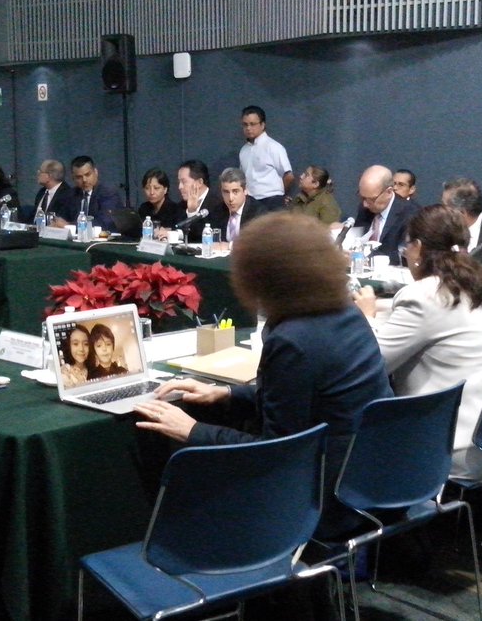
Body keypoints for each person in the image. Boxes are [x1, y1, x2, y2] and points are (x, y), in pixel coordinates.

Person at [136, 212, 392, 539]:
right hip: (370, 477)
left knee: (186, 469)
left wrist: (193, 430)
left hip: (324, 499)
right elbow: (309, 398)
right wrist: (227, 393)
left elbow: (276, 451)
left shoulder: (292, 339)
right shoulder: (347, 312)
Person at [353, 205, 482, 478]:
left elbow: (373, 364)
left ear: (417, 247)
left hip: (452, 448)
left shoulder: (420, 296)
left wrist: (366, 317)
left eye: (407, 246)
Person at [353, 164, 420, 265]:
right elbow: (357, 240)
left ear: (389, 192)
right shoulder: (364, 208)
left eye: (371, 199)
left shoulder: (411, 214)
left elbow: (404, 256)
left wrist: (367, 257)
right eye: (362, 197)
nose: (365, 204)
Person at [238, 105, 292, 211]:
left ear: (262, 125)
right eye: (245, 124)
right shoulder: (243, 150)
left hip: (272, 201)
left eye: (252, 124)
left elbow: (289, 176)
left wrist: (279, 195)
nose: (248, 128)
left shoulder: (274, 147)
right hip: (250, 202)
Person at [55, 155, 123, 231]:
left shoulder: (108, 193)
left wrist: (69, 226)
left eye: (87, 175)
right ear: (73, 178)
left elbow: (103, 223)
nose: (84, 180)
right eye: (79, 177)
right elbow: (61, 219)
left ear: (96, 172)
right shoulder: (71, 194)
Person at [166, 159, 223, 242]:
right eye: (179, 182)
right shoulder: (181, 205)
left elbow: (201, 237)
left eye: (184, 182)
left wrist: (192, 212)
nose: (180, 187)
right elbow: (178, 228)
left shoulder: (217, 204)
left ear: (199, 182)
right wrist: (170, 233)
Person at [209, 167, 269, 242]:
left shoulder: (257, 212)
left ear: (245, 190)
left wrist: (230, 246)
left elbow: (257, 242)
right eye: (226, 192)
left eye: (235, 192)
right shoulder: (218, 211)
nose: (230, 198)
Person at [28, 158, 75, 223]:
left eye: (40, 171)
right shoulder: (41, 192)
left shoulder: (68, 195)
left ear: (49, 176)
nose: (38, 173)